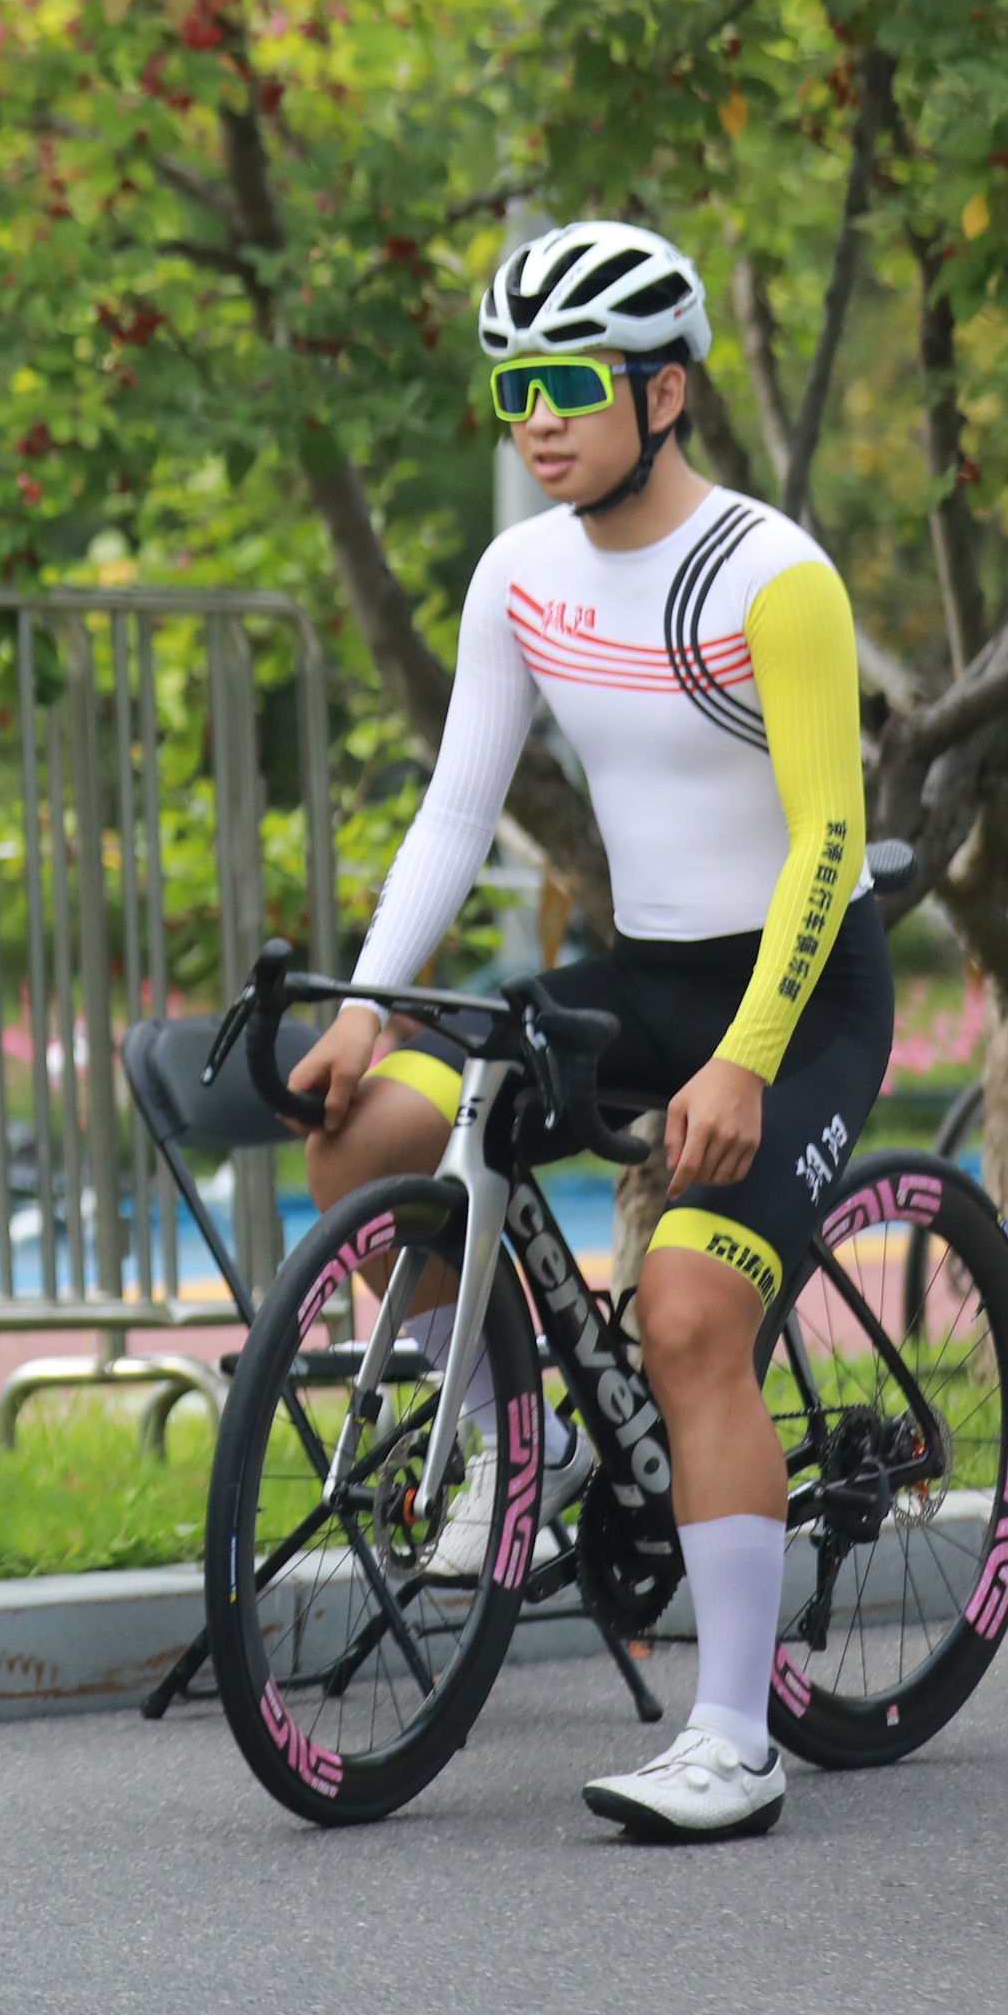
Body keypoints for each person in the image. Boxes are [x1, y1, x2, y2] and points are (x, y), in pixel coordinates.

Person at [290, 218, 880, 1844]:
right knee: (378, 1129)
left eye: (565, 383)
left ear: (664, 387)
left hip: (796, 989)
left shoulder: (774, 574)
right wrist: (360, 1008)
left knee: (689, 1316)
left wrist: (749, 1058)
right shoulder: (521, 572)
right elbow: (452, 809)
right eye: (510, 388)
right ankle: (486, 1444)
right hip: (643, 973)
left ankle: (733, 1732)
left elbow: (828, 836)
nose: (535, 418)